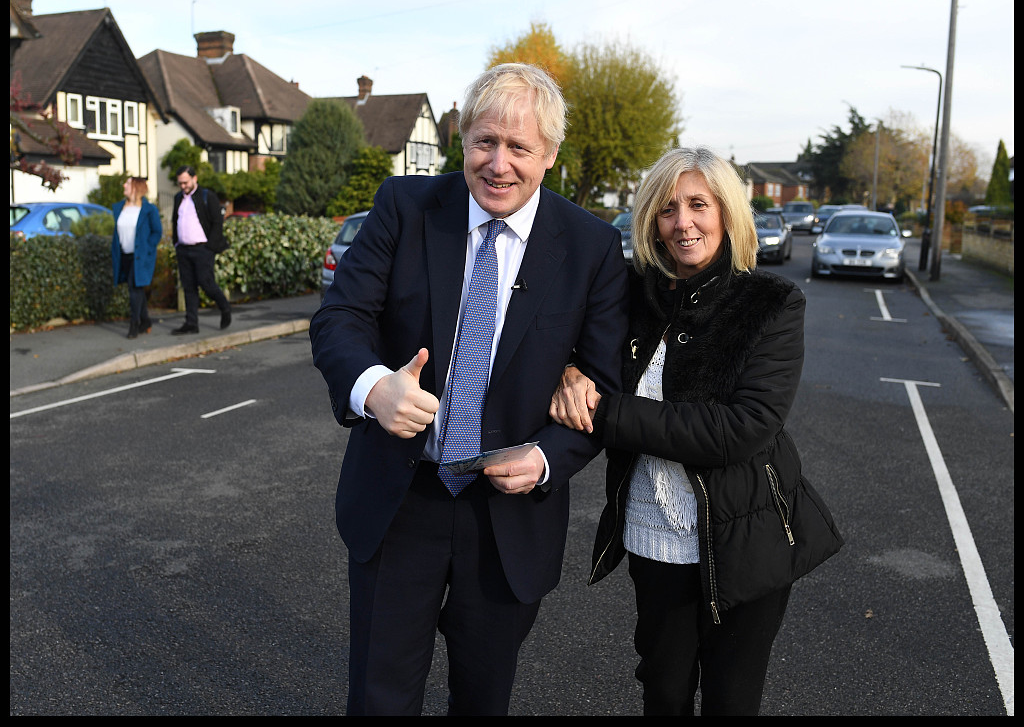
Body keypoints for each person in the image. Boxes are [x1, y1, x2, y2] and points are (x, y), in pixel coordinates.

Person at [309, 63, 629, 716]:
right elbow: (340, 319)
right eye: (486, 142)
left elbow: (602, 383)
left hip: (509, 518)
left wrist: (544, 458)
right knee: (378, 697)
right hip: (400, 504)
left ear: (550, 156)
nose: (499, 163)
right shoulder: (405, 207)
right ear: (462, 139)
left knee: (483, 700)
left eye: (520, 148)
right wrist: (374, 390)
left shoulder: (592, 247)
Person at [550, 146, 843, 716]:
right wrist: (569, 369)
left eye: (697, 205)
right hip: (652, 536)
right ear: (651, 224)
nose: (682, 222)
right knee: (662, 691)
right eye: (666, 209)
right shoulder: (631, 294)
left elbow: (742, 427)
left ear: (727, 213)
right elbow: (567, 339)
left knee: (731, 701)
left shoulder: (773, 303)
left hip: (745, 540)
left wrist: (608, 413)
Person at [169, 165, 231, 334]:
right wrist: (176, 243)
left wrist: (210, 246)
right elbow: (175, 221)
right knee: (188, 287)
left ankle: (225, 307)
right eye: (180, 183)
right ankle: (191, 323)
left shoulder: (207, 196)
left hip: (203, 249)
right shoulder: (178, 198)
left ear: (194, 178)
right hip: (183, 249)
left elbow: (217, 223)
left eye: (186, 182)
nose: (183, 186)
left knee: (207, 284)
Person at [111, 176, 162, 339]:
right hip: (124, 254)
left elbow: (157, 232)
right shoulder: (120, 208)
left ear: (136, 188)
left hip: (140, 256)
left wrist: (147, 247)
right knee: (136, 288)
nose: (124, 185)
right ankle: (146, 320)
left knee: (134, 288)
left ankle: (134, 324)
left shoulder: (149, 209)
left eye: (127, 183)